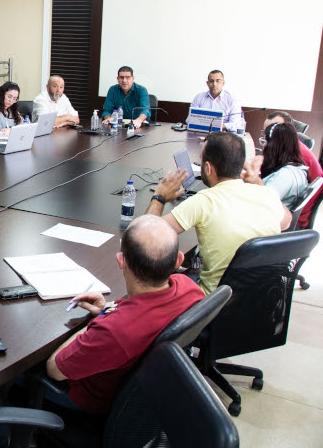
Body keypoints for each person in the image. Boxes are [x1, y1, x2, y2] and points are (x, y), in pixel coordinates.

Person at [46, 215, 204, 415]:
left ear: (121, 261)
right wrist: (108, 310)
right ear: (178, 260)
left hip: (90, 401)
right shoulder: (189, 288)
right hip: (150, 397)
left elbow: (54, 369)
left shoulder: (114, 330)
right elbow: (142, 311)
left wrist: (102, 319)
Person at [146, 132, 290, 294]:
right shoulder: (266, 193)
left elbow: (145, 236)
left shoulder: (203, 201)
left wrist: (160, 196)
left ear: (207, 168)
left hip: (213, 305)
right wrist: (257, 182)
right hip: (261, 300)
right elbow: (287, 221)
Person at [242, 122, 309, 207]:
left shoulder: (286, 175)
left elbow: (265, 200)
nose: (264, 146)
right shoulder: (292, 167)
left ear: (274, 146)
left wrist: (252, 172)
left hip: (269, 216)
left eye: (265, 141)